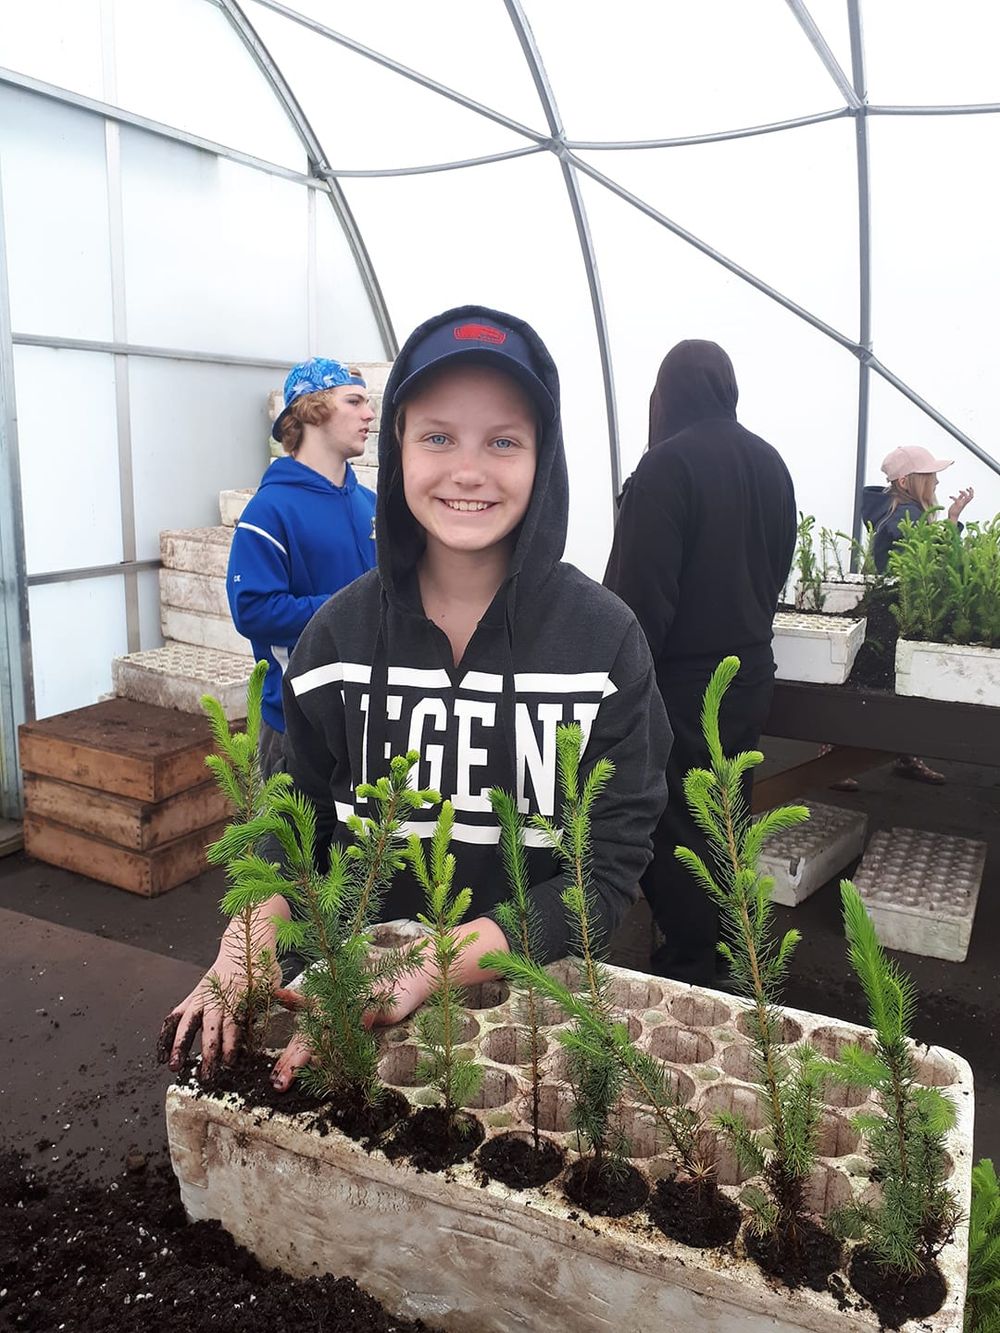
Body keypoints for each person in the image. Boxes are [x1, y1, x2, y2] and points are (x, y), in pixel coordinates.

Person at [164, 305, 671, 1088]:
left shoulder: (603, 645)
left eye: (504, 440)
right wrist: (253, 932)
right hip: (343, 1007)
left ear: (544, 458)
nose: (468, 470)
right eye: (438, 436)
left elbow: (603, 875)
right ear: (397, 449)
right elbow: (292, 819)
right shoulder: (336, 638)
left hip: (525, 1027)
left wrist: (430, 968)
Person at [604, 339, 796, 988]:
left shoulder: (666, 468)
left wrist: (618, 693)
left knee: (675, 827)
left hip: (682, 684)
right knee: (726, 815)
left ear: (665, 396)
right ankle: (732, 954)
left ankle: (691, 970)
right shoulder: (772, 464)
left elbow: (640, 600)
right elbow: (777, 568)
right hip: (750, 674)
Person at [226, 358, 378, 777]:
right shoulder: (269, 511)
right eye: (355, 401)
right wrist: (348, 612)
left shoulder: (371, 505)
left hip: (373, 716)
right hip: (299, 721)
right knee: (296, 841)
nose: (369, 414)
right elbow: (254, 610)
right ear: (313, 409)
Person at [856, 443, 975, 785]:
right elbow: (941, 562)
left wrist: (949, 520)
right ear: (908, 481)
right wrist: (952, 523)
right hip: (898, 610)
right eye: (931, 476)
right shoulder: (907, 517)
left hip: (886, 606)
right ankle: (832, 758)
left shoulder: (893, 510)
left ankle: (903, 755)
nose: (936, 482)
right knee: (887, 687)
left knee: (874, 684)